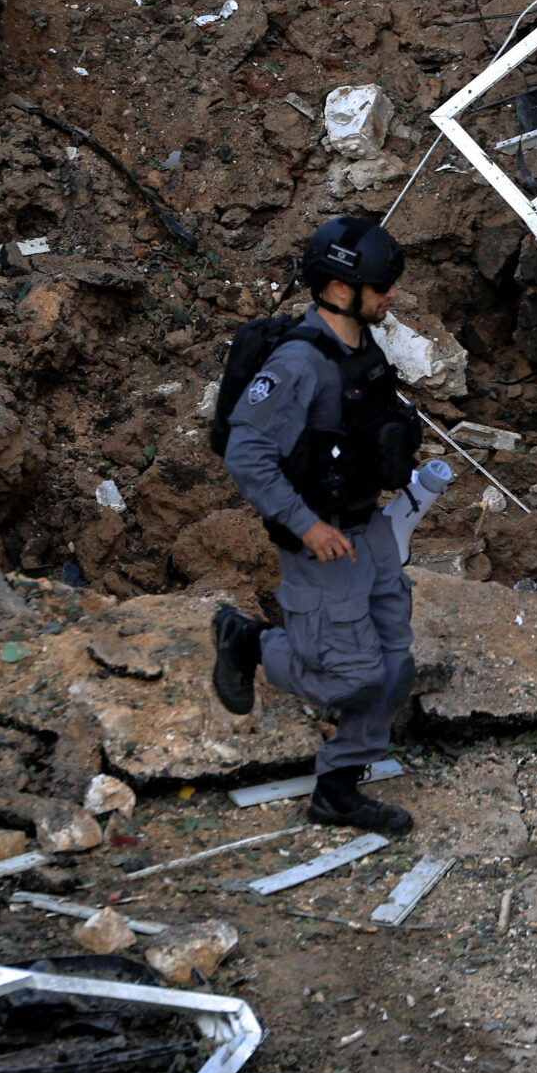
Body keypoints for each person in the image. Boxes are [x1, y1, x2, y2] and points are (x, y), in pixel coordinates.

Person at [210, 217, 420, 834]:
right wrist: (306, 526)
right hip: (320, 542)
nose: (391, 296)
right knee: (349, 676)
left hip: (368, 528)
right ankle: (249, 642)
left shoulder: (361, 346)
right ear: (337, 286)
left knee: (394, 667)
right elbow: (246, 452)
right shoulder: (298, 362)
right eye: (381, 285)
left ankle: (337, 790)